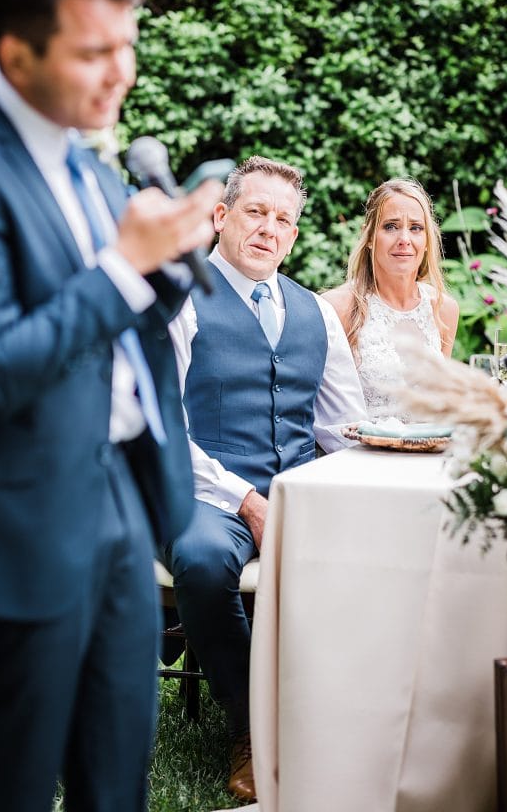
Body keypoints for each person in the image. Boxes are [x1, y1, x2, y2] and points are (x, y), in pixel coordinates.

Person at [0, 0, 223, 812]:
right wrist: (122, 268)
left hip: (117, 494)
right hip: (15, 511)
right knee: (16, 776)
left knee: (118, 774)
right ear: (16, 51)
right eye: (93, 52)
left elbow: (119, 324)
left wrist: (171, 265)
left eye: (128, 45)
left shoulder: (81, 151)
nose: (121, 72)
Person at [166, 156, 366, 801]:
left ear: (295, 234)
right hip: (207, 492)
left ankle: (350, 711)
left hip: (301, 489)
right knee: (199, 559)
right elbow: (160, 426)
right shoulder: (179, 300)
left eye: (284, 220)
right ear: (221, 217)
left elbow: (344, 428)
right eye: (256, 212)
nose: (268, 229)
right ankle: (255, 724)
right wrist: (245, 498)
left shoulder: (318, 314)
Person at [325, 177, 459, 420]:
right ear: (368, 237)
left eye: (416, 228)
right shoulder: (338, 307)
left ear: (427, 240)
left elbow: (442, 406)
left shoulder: (444, 309)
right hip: (362, 454)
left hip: (429, 453)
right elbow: (325, 412)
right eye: (390, 226)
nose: (404, 239)